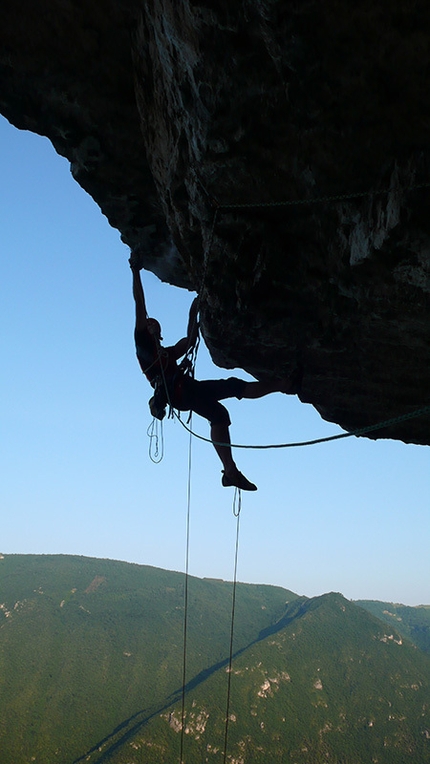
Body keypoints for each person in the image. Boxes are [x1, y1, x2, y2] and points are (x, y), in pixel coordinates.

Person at [130, 258, 294, 491]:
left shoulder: (165, 353)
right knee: (219, 413)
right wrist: (135, 272)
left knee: (231, 390)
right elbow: (140, 304)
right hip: (181, 392)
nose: (150, 323)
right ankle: (230, 471)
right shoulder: (143, 344)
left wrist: (193, 313)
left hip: (187, 389)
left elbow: (188, 342)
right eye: (149, 322)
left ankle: (283, 384)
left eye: (154, 323)